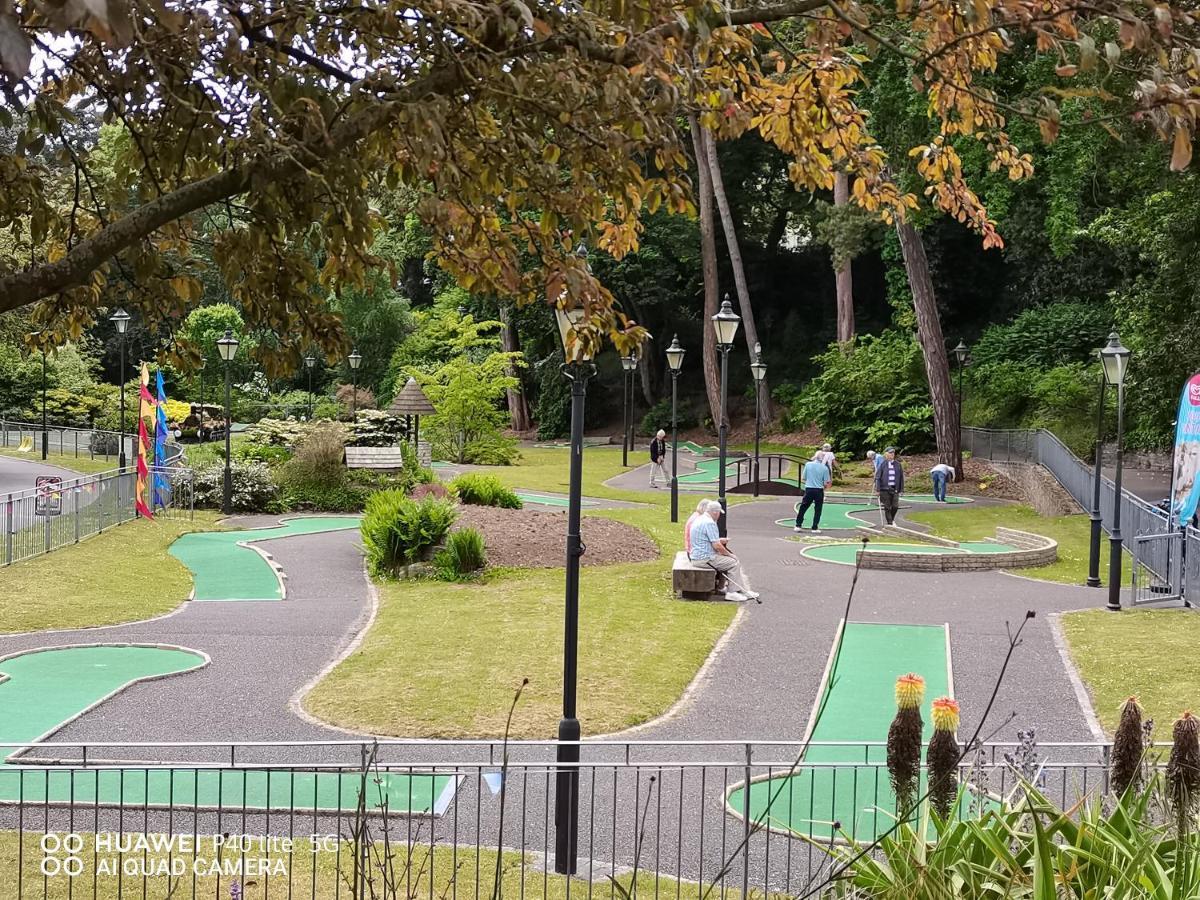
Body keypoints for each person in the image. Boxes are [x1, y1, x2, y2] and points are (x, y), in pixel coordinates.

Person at [688, 500, 759, 601]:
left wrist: (720, 540)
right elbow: (717, 545)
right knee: (734, 563)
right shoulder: (709, 523)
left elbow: (707, 539)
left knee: (726, 561)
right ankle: (732, 593)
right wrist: (730, 555)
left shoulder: (700, 519)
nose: (719, 516)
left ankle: (738, 590)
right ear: (715, 512)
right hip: (705, 559)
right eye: (719, 513)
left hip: (697, 556)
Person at [794, 451, 832, 533]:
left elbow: (804, 478)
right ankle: (814, 527)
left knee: (803, 507)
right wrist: (823, 487)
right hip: (819, 490)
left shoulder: (808, 464)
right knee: (818, 509)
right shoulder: (824, 468)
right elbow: (826, 482)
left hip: (809, 489)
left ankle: (798, 525)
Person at [875, 447, 905, 525]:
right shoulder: (883, 464)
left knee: (895, 506)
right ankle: (890, 523)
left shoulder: (898, 464)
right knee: (887, 507)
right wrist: (877, 490)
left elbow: (901, 478)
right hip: (884, 489)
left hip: (895, 489)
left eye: (893, 453)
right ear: (886, 454)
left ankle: (891, 519)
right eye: (890, 453)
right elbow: (877, 477)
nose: (892, 455)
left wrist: (901, 490)